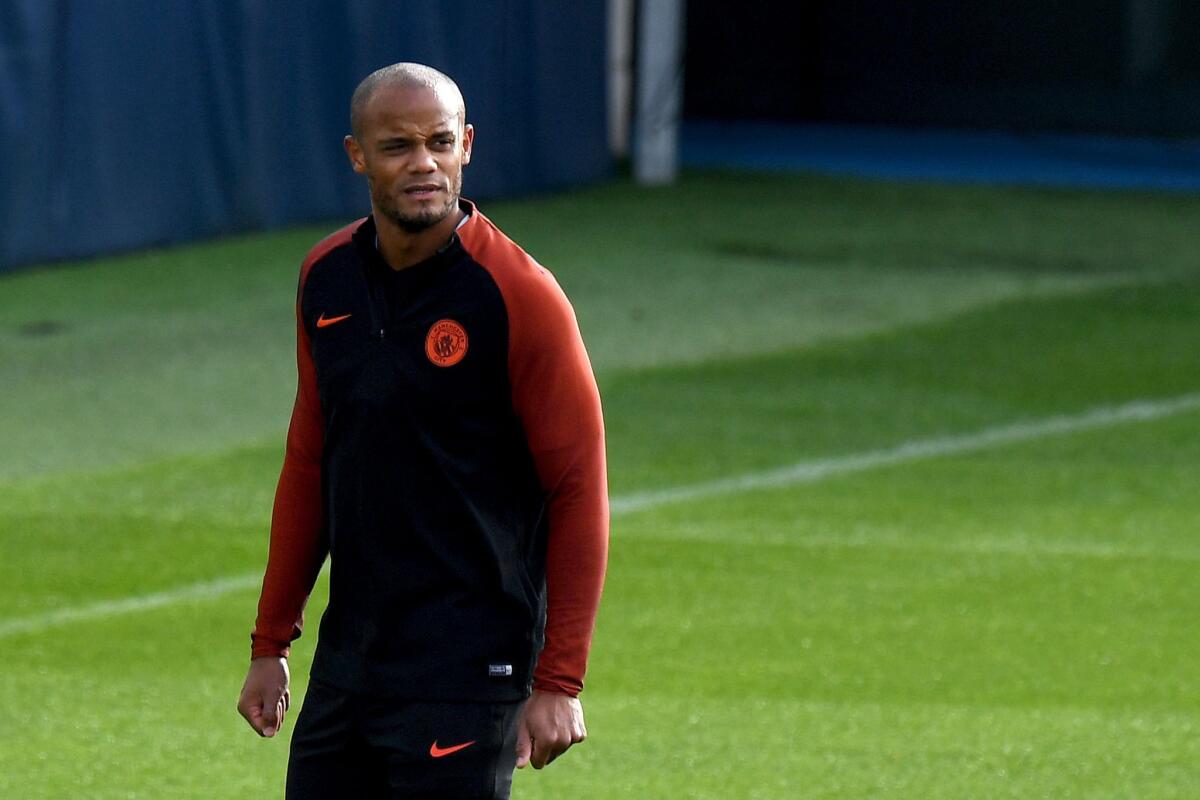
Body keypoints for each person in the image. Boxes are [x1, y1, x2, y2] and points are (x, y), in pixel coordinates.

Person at [236, 62, 609, 799]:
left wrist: (560, 678)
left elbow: (578, 486)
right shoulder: (325, 279)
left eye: (439, 142)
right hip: (351, 665)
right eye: (398, 146)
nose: (422, 164)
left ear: (467, 144)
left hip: (469, 672)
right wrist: (270, 642)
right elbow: (311, 459)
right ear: (357, 156)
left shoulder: (519, 296)